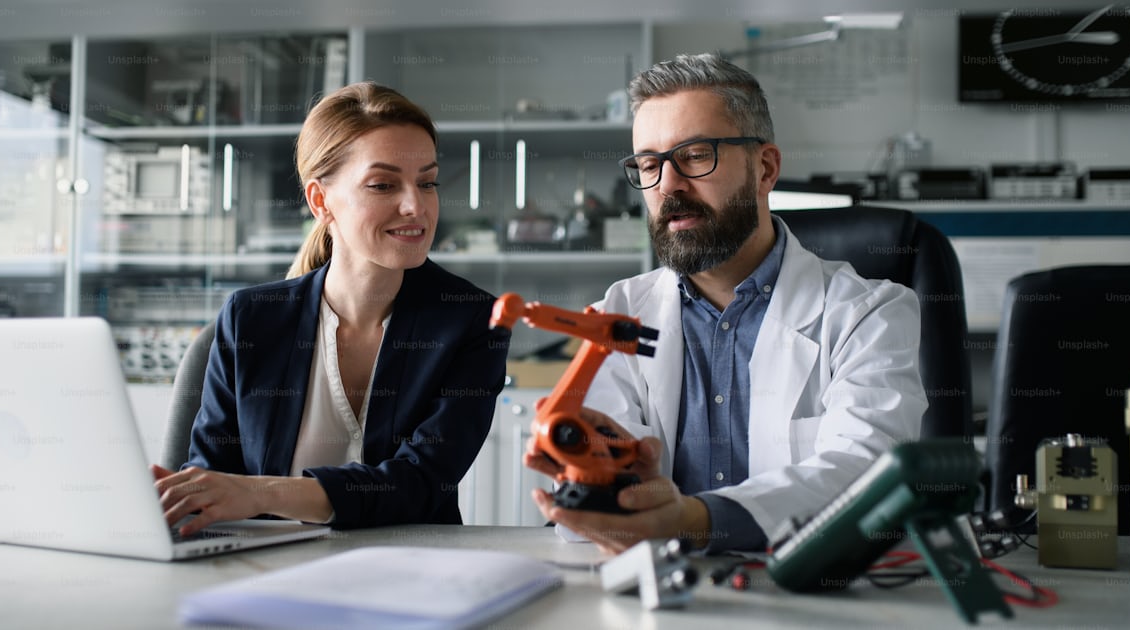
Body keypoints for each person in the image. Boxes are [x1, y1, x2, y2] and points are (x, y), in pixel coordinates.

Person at [525, 53, 926, 554]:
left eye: (694, 156)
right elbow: (602, 506)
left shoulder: (869, 314)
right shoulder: (620, 313)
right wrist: (607, 478)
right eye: (649, 165)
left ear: (765, 168)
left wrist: (693, 518)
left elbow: (867, 474)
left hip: (814, 593)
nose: (667, 185)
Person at [151, 82, 509, 536]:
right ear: (320, 200)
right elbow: (210, 482)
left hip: (411, 577)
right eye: (383, 184)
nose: (415, 205)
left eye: (427, 182)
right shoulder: (250, 318)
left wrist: (260, 493)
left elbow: (420, 482)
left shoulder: (472, 320)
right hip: (265, 576)